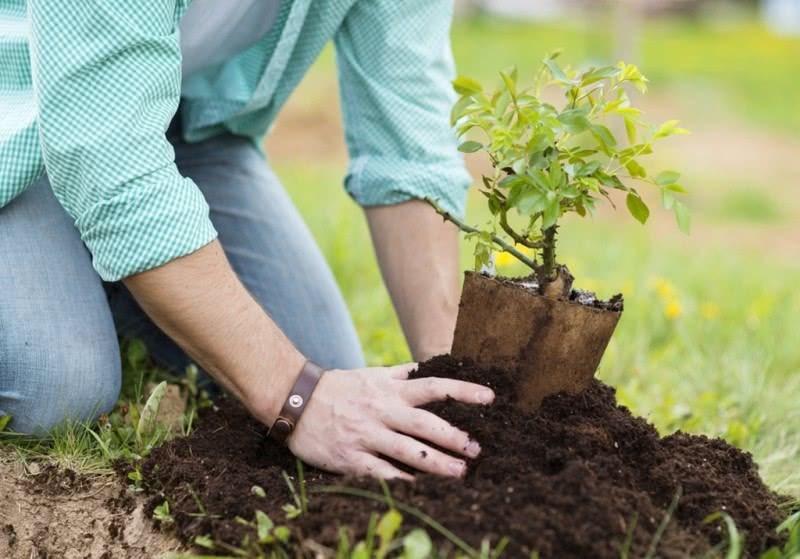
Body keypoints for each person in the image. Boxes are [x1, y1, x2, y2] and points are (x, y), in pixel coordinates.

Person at [0, 0, 495, 480]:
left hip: (188, 126)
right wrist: (297, 398)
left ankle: (105, 266)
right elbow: (109, 156)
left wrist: (455, 385)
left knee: (325, 365)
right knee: (57, 387)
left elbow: (408, 139)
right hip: (23, 108)